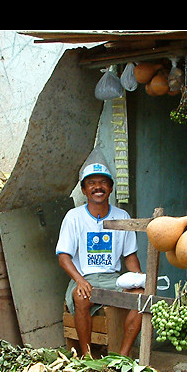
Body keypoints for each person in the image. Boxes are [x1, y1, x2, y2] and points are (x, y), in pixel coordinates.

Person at [56, 153, 143, 358]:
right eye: (92, 183)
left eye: (103, 183)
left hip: (113, 279)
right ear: (85, 190)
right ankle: (87, 356)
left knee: (142, 298)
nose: (98, 187)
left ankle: (122, 357)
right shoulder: (74, 217)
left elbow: (129, 256)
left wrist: (139, 278)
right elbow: (63, 256)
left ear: (110, 188)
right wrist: (79, 281)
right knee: (81, 295)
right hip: (84, 278)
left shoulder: (122, 217)